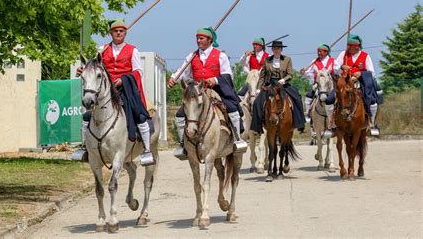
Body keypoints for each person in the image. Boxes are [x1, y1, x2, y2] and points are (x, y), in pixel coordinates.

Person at [77, 18, 154, 166]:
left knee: (140, 116)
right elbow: (93, 68)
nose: (118, 33)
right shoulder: (102, 49)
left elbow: (138, 72)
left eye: (121, 31)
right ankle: (84, 147)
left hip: (126, 90)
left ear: (125, 33)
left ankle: (146, 150)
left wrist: (123, 79)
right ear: (111, 33)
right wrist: (83, 69)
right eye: (115, 31)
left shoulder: (133, 50)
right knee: (87, 116)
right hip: (106, 92)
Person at [167, 26, 246, 159]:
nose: (198, 41)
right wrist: (173, 78)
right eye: (197, 38)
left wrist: (214, 79)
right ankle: (182, 145)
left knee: (233, 109)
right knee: (180, 115)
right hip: (197, 91)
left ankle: (237, 139)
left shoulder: (221, 56)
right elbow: (183, 73)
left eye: (201, 38)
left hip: (216, 91)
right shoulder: (192, 56)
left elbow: (227, 75)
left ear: (209, 40)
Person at [324, 33, 380, 133]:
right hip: (344, 83)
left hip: (360, 83)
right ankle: (331, 124)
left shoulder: (366, 56)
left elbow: (372, 73)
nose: (349, 47)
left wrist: (361, 73)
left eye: (351, 45)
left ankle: (371, 123)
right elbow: (334, 67)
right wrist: (342, 67)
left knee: (372, 101)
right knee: (329, 100)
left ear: (358, 46)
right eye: (348, 45)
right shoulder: (343, 54)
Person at [250, 40, 306, 134]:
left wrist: (283, 80)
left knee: (297, 97)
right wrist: (259, 89)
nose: (276, 50)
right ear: (272, 49)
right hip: (270, 85)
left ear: (281, 49)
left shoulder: (287, 59)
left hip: (283, 84)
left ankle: (300, 123)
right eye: (275, 48)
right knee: (256, 102)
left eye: (278, 48)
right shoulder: (267, 60)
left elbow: (290, 74)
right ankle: (257, 127)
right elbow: (262, 76)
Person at [300, 43, 335, 122]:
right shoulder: (314, 61)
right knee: (309, 95)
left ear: (326, 52)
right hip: (318, 84)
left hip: (330, 84)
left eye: (321, 51)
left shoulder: (333, 61)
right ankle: (308, 113)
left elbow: (338, 71)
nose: (319, 53)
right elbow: (309, 73)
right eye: (318, 51)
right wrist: (304, 73)